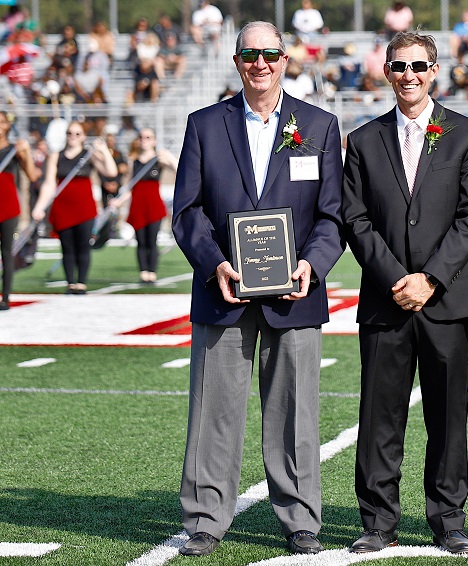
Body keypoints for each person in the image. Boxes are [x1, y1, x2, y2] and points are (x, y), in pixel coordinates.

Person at [171, 21, 344, 557]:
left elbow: (332, 217)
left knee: (296, 412)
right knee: (213, 409)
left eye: (270, 53)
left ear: (285, 59)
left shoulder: (319, 124)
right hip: (222, 290)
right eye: (250, 54)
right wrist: (215, 263)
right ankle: (205, 516)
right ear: (236, 60)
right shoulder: (204, 124)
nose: (260, 63)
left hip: (295, 292)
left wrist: (312, 265)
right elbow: (187, 211)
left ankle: (300, 519)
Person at [341, 30, 468, 555]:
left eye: (419, 66)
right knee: (380, 414)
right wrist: (394, 278)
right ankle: (378, 520)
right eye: (399, 66)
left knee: (448, 414)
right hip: (386, 298)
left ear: (435, 71)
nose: (409, 75)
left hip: (447, 297)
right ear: (386, 71)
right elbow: (355, 218)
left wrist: (429, 278)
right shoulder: (362, 139)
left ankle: (448, 517)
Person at [31, 122, 118, 295]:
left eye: (77, 134)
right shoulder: (57, 156)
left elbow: (111, 172)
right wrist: (39, 207)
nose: (73, 136)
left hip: (84, 208)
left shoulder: (89, 154)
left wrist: (103, 151)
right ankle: (71, 283)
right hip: (63, 207)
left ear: (83, 136)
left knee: (83, 246)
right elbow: (49, 183)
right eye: (70, 133)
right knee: (67, 247)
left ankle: (81, 283)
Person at [108, 128, 178, 283]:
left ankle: (152, 272)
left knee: (151, 240)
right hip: (138, 206)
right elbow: (130, 187)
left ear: (154, 141)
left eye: (148, 137)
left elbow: (179, 169)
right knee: (140, 241)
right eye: (142, 137)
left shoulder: (159, 160)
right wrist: (119, 201)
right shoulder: (134, 161)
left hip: (153, 206)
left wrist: (168, 156)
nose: (144, 139)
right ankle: (143, 272)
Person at [0, 112, 39, 311]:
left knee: (7, 253)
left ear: (7, 126)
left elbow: (31, 175)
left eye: (2, 122)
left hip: (7, 206)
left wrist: (26, 152)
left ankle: (5, 297)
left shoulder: (13, 149)